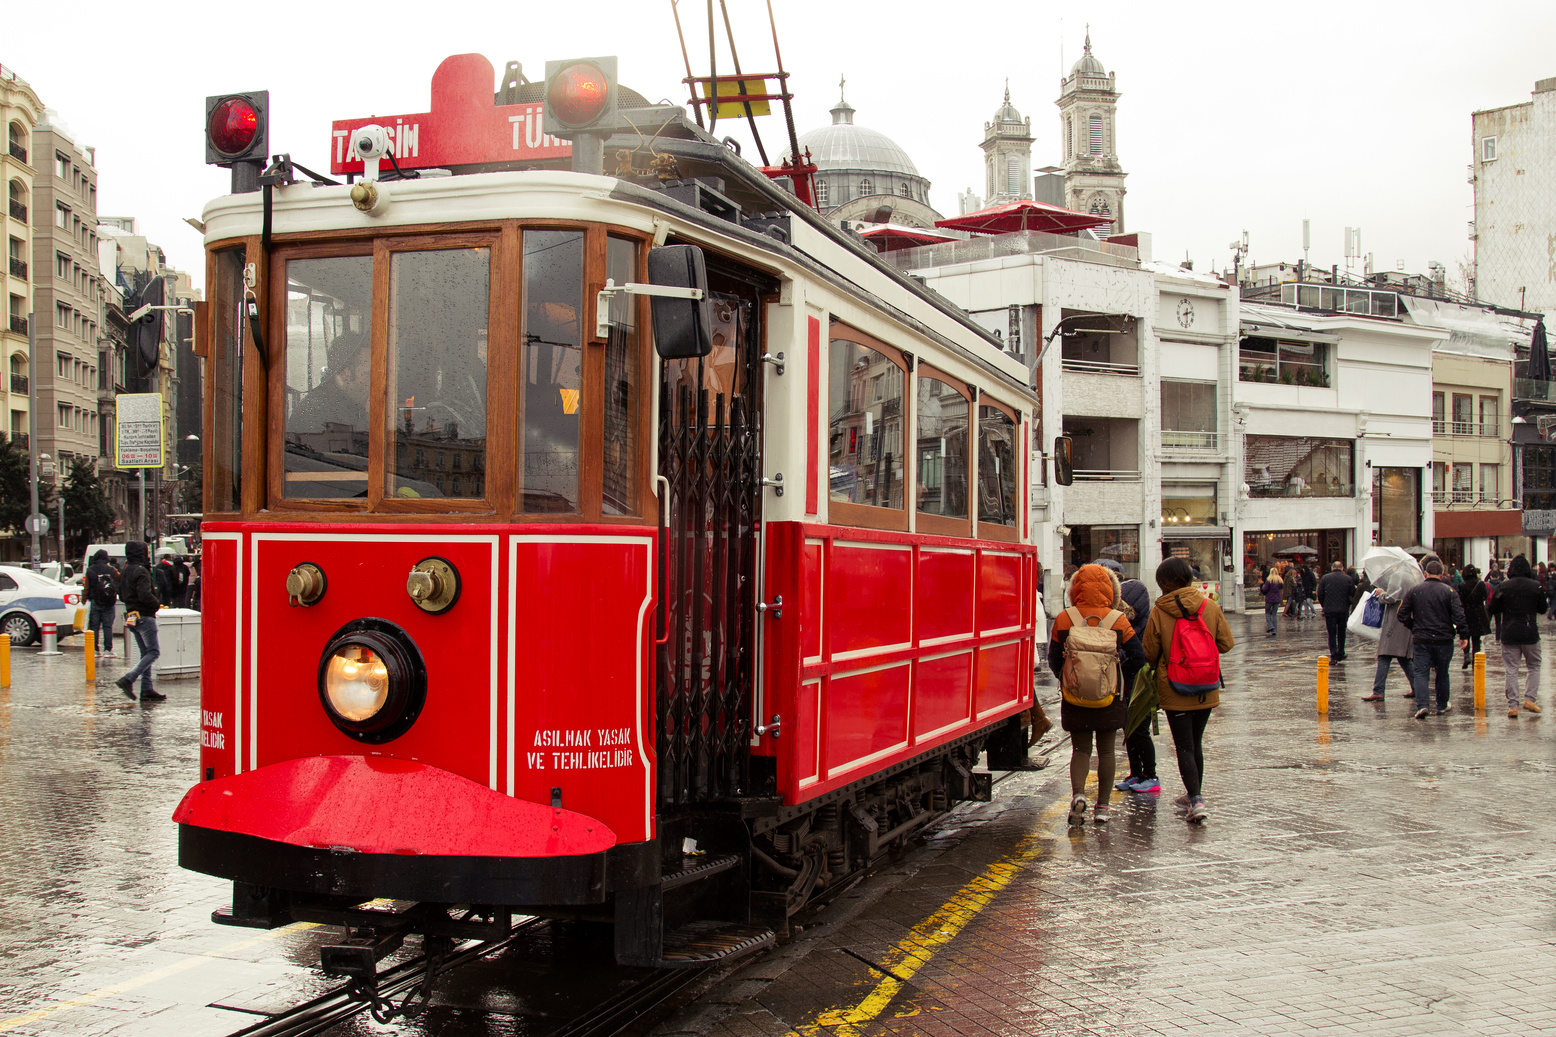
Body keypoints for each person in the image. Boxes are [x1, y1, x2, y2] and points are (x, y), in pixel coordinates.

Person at [1048, 564, 1143, 827]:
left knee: (1080, 750)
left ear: (1075, 588)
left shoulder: (1065, 619)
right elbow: (1139, 656)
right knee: (1107, 751)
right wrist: (1116, 674)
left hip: (1075, 695)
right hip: (1109, 696)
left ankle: (1079, 795)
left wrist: (1068, 679)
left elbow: (1054, 659)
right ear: (1111, 588)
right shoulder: (1118, 620)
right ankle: (1102, 808)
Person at [1143, 556, 1234, 824]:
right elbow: (1226, 644)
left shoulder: (1160, 611)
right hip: (1207, 686)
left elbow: (1149, 653)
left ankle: (1195, 800)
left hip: (1174, 688)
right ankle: (1194, 795)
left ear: (1166, 583)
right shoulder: (1210, 606)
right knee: (1196, 743)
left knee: (1183, 745)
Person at [1100, 560, 1158, 794]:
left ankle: (1150, 775)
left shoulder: (1135, 622)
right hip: (1128, 681)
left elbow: (1139, 655)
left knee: (1139, 728)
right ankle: (1136, 773)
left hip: (1139, 682)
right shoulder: (1131, 619)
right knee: (1129, 728)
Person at [1398, 560, 1469, 719]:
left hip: (1421, 639)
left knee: (1421, 673)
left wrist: (1414, 626)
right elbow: (1459, 616)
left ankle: (1423, 705)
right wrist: (1463, 635)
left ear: (1425, 574)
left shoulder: (1414, 591)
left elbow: (1401, 614)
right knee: (1442, 672)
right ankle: (1442, 705)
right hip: (1443, 639)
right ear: (1442, 574)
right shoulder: (1449, 592)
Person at [1488, 554, 1548, 718]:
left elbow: (1493, 608)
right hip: (1530, 632)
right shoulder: (1536, 586)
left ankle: (1513, 705)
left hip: (1509, 633)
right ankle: (1530, 699)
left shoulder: (1503, 587)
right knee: (1534, 666)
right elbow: (1543, 609)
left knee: (1511, 670)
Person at [288, 332, 372, 435]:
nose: (376, 383)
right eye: (369, 374)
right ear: (344, 374)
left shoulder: (346, 403)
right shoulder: (316, 413)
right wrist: (370, 415)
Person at [115, 541, 165, 702]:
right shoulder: (141, 571)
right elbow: (145, 595)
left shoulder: (125, 571)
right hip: (144, 615)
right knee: (153, 652)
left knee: (145, 653)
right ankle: (129, 678)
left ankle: (147, 689)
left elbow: (121, 595)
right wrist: (156, 603)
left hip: (131, 615)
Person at [1361, 581, 1414, 703]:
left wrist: (1381, 594)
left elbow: (1391, 598)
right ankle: (1417, 687)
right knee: (1404, 658)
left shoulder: (1399, 578)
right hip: (1403, 625)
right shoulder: (1410, 580)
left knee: (1384, 656)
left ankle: (1378, 691)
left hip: (1394, 625)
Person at [1316, 561, 1356, 662]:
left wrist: (1324, 605)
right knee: (1342, 632)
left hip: (1330, 610)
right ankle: (1341, 651)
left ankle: (1333, 654)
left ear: (1332, 568)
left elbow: (1320, 593)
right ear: (1342, 568)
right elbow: (1352, 593)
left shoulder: (1325, 578)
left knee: (1331, 633)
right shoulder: (1348, 579)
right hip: (1343, 609)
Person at [83, 549, 118, 656]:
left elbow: (86, 587)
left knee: (94, 626)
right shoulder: (111, 570)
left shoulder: (90, 570)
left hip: (95, 601)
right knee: (107, 627)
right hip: (109, 602)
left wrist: (83, 600)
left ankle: (95, 650)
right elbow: (119, 578)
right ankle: (108, 650)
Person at [1456, 564, 1491, 669]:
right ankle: (1475, 660)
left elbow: (1459, 601)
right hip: (1478, 615)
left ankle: (1466, 656)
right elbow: (1485, 596)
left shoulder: (1462, 585)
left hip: (1466, 614)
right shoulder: (1480, 584)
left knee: (1465, 636)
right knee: (1476, 639)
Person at [1260, 569, 1284, 636]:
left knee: (1267, 612)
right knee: (1274, 614)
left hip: (1269, 599)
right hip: (1277, 599)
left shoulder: (1269, 580)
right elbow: (1281, 587)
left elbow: (1265, 589)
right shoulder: (1279, 580)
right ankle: (1275, 630)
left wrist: (1262, 587)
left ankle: (1270, 626)